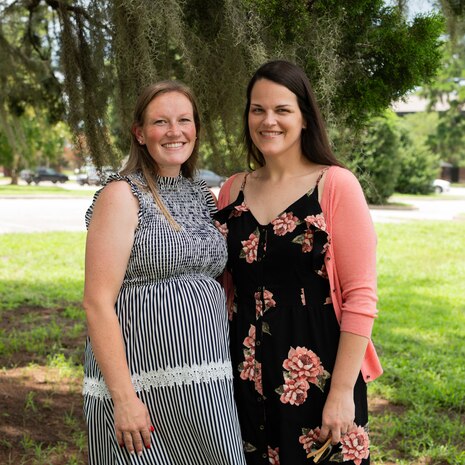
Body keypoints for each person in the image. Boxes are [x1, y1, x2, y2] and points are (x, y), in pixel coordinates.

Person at [213, 60, 383, 465]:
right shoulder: (232, 189)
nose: (268, 120)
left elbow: (361, 296)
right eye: (258, 110)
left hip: (318, 370)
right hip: (244, 367)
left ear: (305, 117)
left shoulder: (336, 185)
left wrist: (341, 391)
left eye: (282, 110)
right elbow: (222, 286)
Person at [82, 80, 246, 465]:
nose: (175, 131)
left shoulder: (202, 195)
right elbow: (96, 303)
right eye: (161, 122)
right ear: (140, 133)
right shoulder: (122, 194)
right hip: (141, 390)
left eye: (184, 120)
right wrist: (123, 398)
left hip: (207, 388)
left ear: (196, 129)